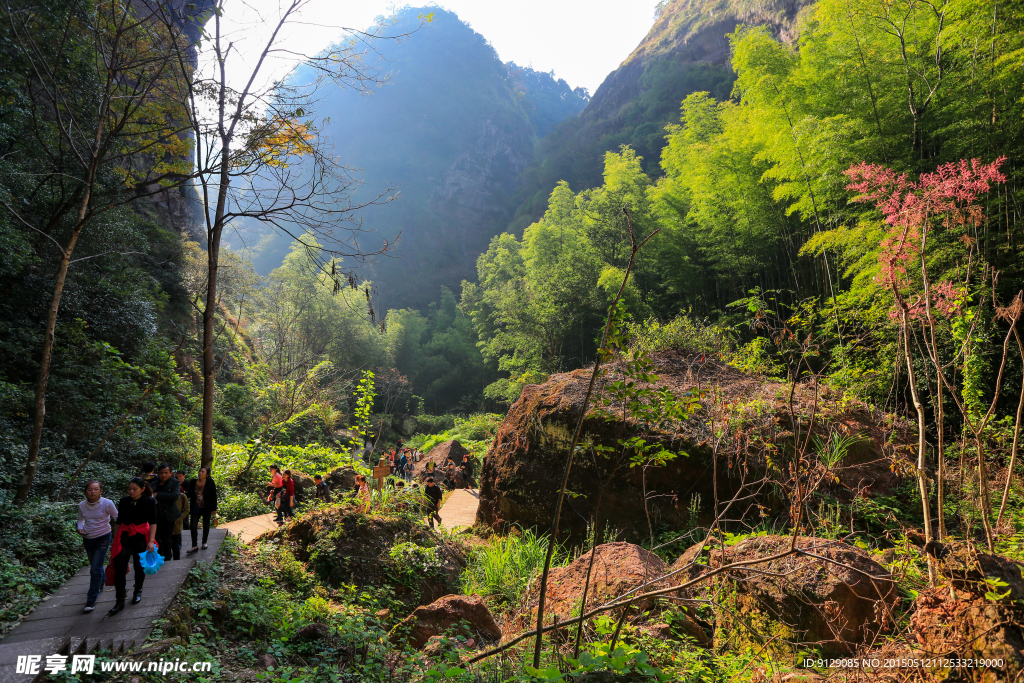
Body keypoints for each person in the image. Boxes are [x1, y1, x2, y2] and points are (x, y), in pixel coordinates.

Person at [107, 477, 157, 615]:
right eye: (129, 489)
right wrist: (116, 539)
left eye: (134, 489)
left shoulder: (149, 501)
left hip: (141, 537)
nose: (131, 491)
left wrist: (151, 541)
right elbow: (119, 522)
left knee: (139, 566)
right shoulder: (124, 501)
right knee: (120, 570)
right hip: (125, 537)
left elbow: (153, 522)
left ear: (142, 489)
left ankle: (138, 591)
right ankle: (119, 601)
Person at [77, 480, 117, 612]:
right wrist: (80, 529)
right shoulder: (82, 505)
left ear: (101, 491)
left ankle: (91, 599)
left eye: (96, 489)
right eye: (89, 489)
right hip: (88, 538)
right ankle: (101, 581)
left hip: (103, 536)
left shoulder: (107, 503)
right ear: (85, 492)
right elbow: (80, 520)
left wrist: (122, 533)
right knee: (96, 565)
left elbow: (117, 517)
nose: (92, 492)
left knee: (95, 568)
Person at [151, 463, 180, 562]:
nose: (163, 475)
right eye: (161, 473)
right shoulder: (154, 483)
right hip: (156, 515)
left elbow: (174, 496)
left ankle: (168, 558)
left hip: (169, 515)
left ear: (171, 473)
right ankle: (159, 557)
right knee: (157, 538)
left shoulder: (175, 482)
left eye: (166, 473)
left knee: (167, 539)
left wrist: (157, 494)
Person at [186, 466, 217, 553]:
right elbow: (189, 494)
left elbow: (213, 496)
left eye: (203, 472)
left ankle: (204, 542)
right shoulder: (193, 482)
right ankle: (194, 545)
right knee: (193, 526)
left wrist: (214, 508)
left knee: (206, 525)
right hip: (195, 507)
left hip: (206, 507)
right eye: (200, 471)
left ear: (207, 475)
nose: (200, 473)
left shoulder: (210, 482)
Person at [171, 473, 190, 560]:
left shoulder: (181, 496)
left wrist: (178, 518)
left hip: (176, 527)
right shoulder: (160, 495)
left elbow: (186, 509)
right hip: (163, 527)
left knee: (175, 547)